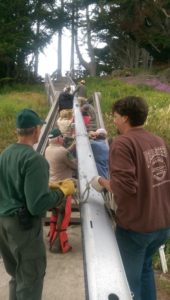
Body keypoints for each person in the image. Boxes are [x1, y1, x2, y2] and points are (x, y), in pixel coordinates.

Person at [91, 96, 170, 300]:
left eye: (115, 116)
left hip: (136, 228)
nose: (114, 121)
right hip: (162, 225)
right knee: (145, 270)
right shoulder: (158, 141)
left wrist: (100, 181)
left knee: (127, 282)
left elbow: (123, 188)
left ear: (125, 118)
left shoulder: (122, 143)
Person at [0, 109, 75, 300]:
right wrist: (61, 192)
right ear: (35, 130)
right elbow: (37, 205)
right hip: (22, 228)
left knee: (17, 276)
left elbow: (12, 183)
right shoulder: (35, 160)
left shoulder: (5, 154)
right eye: (40, 128)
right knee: (31, 280)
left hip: (4, 224)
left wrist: (45, 185)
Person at [45, 128, 77, 253]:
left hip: (51, 187)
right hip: (63, 188)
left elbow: (62, 155)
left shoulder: (48, 149)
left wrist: (72, 146)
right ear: (58, 138)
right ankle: (59, 245)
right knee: (63, 216)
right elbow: (74, 164)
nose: (63, 139)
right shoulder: (63, 152)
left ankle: (52, 237)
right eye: (62, 137)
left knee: (55, 214)